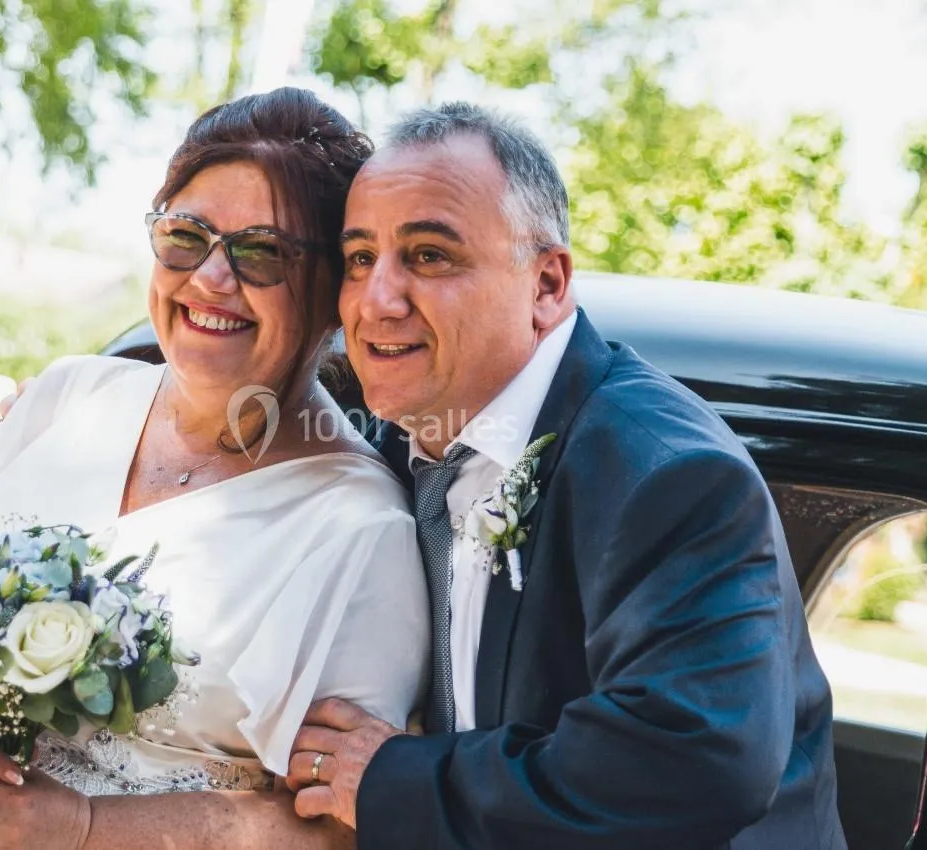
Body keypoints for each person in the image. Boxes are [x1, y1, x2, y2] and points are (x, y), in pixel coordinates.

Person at [0, 87, 429, 850]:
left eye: (261, 252)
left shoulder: (361, 528)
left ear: (333, 294)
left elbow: (338, 829)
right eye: (185, 236)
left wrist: (84, 827)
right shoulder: (66, 399)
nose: (211, 278)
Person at [284, 103, 847, 849]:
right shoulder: (387, 447)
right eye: (360, 259)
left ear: (547, 285)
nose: (376, 300)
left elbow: (691, 761)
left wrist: (394, 783)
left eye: (429, 256)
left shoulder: (668, 474)